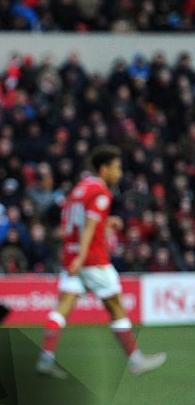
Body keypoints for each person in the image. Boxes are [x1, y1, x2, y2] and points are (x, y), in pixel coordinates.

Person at [36, 146, 166, 378]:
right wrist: (83, 256)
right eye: (117, 168)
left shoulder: (79, 190)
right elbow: (89, 227)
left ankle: (46, 359)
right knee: (116, 306)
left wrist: (102, 229)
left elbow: (76, 225)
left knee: (61, 310)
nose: (120, 173)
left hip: (71, 256)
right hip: (93, 260)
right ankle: (136, 361)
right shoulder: (101, 192)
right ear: (103, 169)